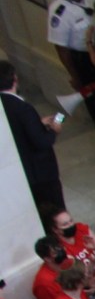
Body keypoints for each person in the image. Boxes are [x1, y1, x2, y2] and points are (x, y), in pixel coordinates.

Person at [0, 62, 65, 220]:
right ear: (15, 78)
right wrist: (53, 131)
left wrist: (37, 123)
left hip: (24, 172)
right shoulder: (23, 108)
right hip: (41, 172)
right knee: (55, 210)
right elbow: (41, 142)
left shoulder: (4, 104)